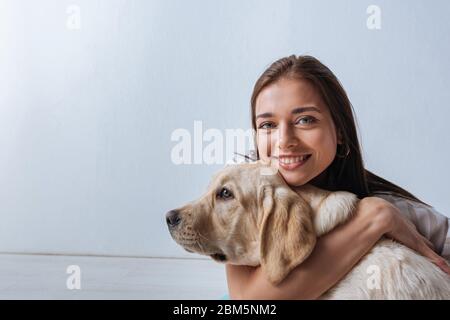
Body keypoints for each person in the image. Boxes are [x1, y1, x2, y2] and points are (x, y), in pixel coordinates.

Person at [226, 55, 450, 300]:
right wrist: (374, 218)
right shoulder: (238, 192)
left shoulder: (405, 214)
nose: (284, 140)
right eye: (268, 125)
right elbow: (248, 300)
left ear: (340, 132)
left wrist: (380, 213)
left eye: (305, 120)